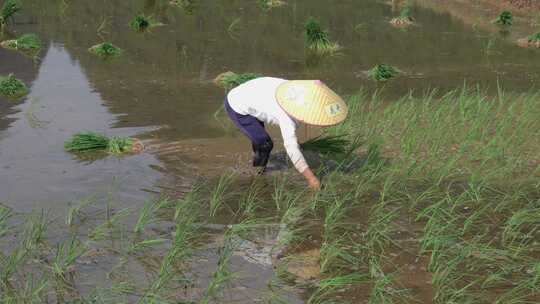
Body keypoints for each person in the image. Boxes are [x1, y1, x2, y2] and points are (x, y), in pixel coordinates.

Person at [224, 77, 348, 190]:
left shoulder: (299, 91)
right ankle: (258, 171)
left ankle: (258, 157)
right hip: (237, 105)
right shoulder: (286, 117)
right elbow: (291, 149)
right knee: (265, 143)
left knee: (259, 139)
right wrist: (312, 179)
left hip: (252, 96)